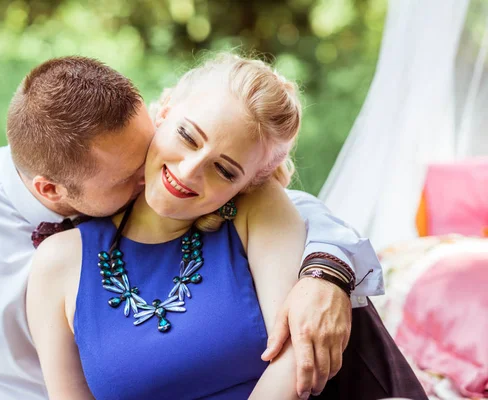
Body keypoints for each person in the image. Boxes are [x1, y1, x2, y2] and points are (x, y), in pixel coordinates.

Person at [0, 55, 383, 400]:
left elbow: (288, 205)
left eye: (151, 144)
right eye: (133, 177)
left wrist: (326, 271)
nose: (175, 176)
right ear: (52, 192)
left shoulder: (147, 148)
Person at [27, 54, 426, 399]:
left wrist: (328, 273)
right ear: (163, 112)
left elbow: (294, 360)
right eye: (187, 135)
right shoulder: (58, 262)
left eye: (224, 169)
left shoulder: (258, 210)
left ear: (249, 183)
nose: (189, 171)